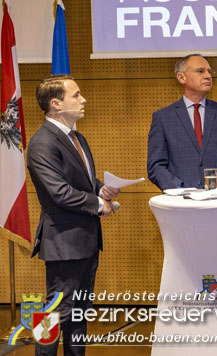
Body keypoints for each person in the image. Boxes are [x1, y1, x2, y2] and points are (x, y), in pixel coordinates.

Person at [27, 75, 120, 356]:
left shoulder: (76, 136)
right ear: (56, 104)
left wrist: (101, 188)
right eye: (76, 96)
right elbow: (58, 192)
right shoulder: (42, 142)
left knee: (79, 313)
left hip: (86, 241)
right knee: (53, 315)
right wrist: (97, 204)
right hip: (64, 244)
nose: (83, 100)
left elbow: (81, 180)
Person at [147, 54, 217, 190]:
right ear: (181, 77)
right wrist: (179, 189)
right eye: (200, 71)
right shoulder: (162, 117)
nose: (208, 76)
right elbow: (156, 166)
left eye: (209, 72)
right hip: (180, 202)